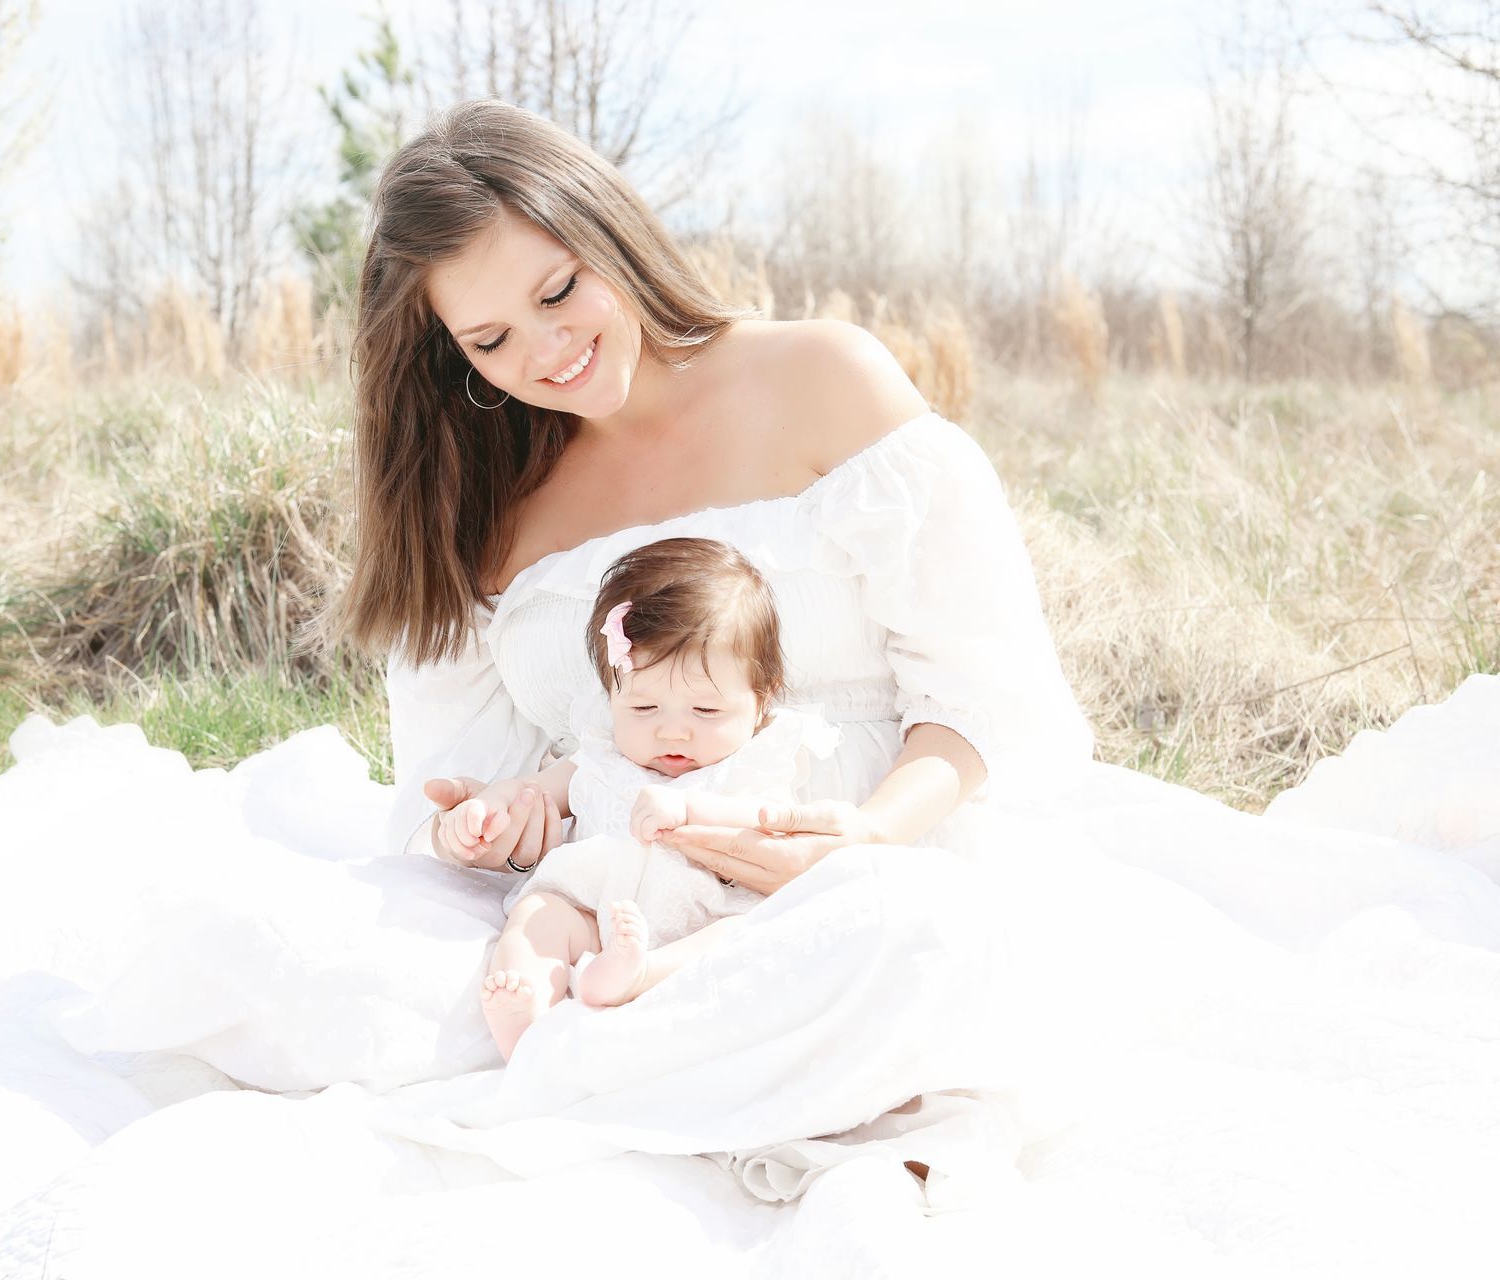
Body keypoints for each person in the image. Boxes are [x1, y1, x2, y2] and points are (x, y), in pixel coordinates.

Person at [336, 98, 1095, 899]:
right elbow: (448, 791)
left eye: (558, 291)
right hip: (616, 909)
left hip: (892, 876)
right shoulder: (479, 508)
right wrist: (497, 835)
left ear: (607, 233)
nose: (547, 350)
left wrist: (866, 839)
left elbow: (984, 693)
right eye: (491, 341)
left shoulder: (824, 380)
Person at [442, 537, 841, 1058]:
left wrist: (691, 809)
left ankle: (639, 975)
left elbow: (773, 824)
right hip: (593, 909)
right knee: (540, 913)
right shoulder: (603, 756)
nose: (672, 734)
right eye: (646, 707)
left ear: (760, 700)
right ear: (612, 695)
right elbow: (532, 794)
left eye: (705, 713)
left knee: (750, 933)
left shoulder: (754, 764)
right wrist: (486, 810)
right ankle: (528, 1000)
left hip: (702, 919)